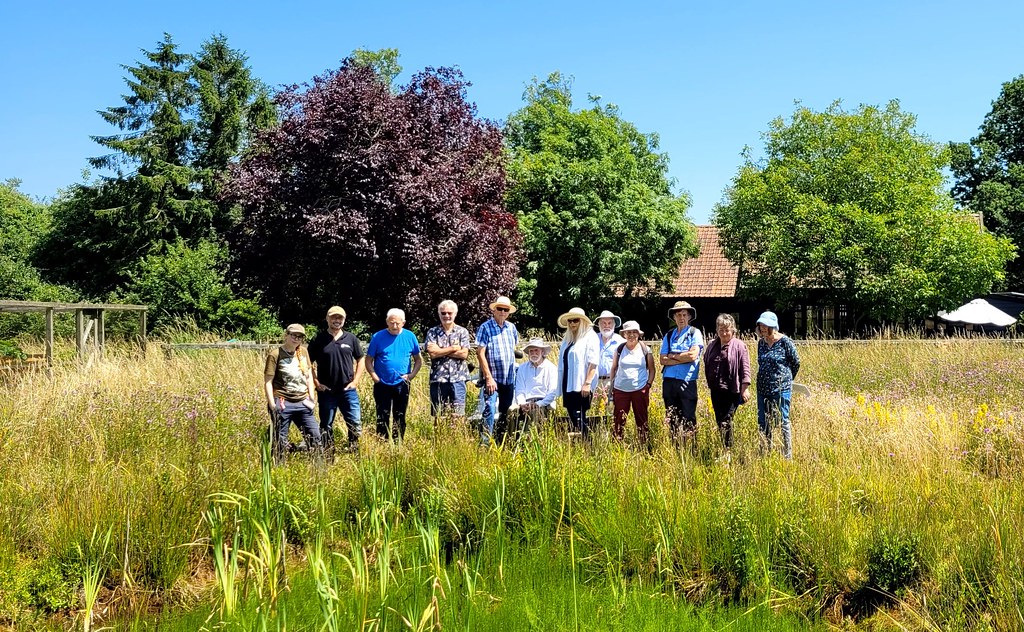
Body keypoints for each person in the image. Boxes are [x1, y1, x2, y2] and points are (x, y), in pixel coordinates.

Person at [308, 306, 364, 451]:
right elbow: (307, 363)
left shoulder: (351, 338)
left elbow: (360, 359)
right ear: (327, 319)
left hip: (347, 389)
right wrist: (316, 382)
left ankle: (353, 446)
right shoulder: (318, 339)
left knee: (355, 421)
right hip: (327, 390)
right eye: (333, 317)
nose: (336, 320)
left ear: (344, 320)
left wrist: (355, 381)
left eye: (340, 318)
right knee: (326, 423)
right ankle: (328, 449)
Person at [264, 324, 321, 462]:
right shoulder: (275, 354)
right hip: (283, 402)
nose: (296, 339)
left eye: (300, 336)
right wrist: (272, 405)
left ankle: (318, 469)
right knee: (280, 439)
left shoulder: (303, 352)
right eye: (293, 335)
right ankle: (278, 468)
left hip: (303, 401)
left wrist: (311, 398)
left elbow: (308, 376)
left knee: (315, 435)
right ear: (286, 335)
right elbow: (268, 382)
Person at [365, 309, 422, 443]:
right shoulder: (378, 337)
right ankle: (382, 444)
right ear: (387, 322)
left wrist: (411, 375)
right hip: (382, 383)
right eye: (392, 323)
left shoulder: (410, 336)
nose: (394, 326)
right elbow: (368, 360)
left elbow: (418, 360)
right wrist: (375, 378)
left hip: (402, 383)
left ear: (403, 323)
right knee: (382, 415)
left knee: (400, 415)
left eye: (397, 323)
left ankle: (398, 443)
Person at [703, 314, 751, 457]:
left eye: (727, 329)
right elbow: (706, 361)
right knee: (719, 420)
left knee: (727, 420)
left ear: (733, 330)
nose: (724, 333)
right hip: (716, 389)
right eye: (721, 329)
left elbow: (745, 368)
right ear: (717, 329)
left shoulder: (739, 346)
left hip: (732, 390)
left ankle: (728, 453)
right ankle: (725, 449)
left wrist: (745, 388)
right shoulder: (712, 345)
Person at [659, 300, 705, 452]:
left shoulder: (695, 333)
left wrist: (673, 356)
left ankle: (691, 450)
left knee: (688, 416)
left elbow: (692, 356)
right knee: (672, 416)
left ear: (689, 316)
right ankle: (676, 448)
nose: (681, 318)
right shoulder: (669, 335)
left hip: (687, 381)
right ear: (674, 317)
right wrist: (680, 357)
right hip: (669, 381)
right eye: (678, 315)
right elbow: (662, 359)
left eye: (684, 315)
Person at [755, 311, 801, 459]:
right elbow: (760, 362)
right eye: (760, 325)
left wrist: (786, 379)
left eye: (765, 325)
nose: (762, 328)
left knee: (783, 420)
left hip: (781, 389)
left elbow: (796, 362)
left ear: (773, 326)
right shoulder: (761, 343)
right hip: (762, 388)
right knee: (763, 420)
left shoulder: (785, 341)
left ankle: (787, 456)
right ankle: (765, 453)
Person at [476, 296, 520, 446]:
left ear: (509, 312)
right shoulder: (485, 327)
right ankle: (485, 443)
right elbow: (480, 353)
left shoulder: (511, 328)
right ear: (494, 310)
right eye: (499, 309)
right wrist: (488, 377)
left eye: (505, 309)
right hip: (493, 378)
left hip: (508, 378)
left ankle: (501, 441)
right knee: (489, 407)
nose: (502, 312)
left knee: (505, 411)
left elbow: (513, 350)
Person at [607, 320, 655, 445]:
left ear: (639, 334)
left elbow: (652, 370)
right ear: (624, 335)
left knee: (642, 419)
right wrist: (612, 385)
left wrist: (647, 386)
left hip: (639, 390)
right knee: (618, 420)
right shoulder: (619, 349)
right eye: (628, 332)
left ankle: (643, 447)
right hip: (621, 390)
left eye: (634, 332)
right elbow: (613, 368)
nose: (632, 335)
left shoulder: (646, 350)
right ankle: (617, 446)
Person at [425, 300, 471, 420]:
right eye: (443, 313)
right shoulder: (432, 332)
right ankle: (439, 438)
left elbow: (464, 354)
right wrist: (453, 348)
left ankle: (455, 438)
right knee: (438, 416)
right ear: (439, 314)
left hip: (458, 379)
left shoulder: (462, 332)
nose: (446, 316)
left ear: (455, 314)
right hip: (438, 379)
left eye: (449, 313)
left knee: (458, 415)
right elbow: (433, 353)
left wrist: (441, 350)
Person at [557, 307, 599, 438]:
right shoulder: (567, 340)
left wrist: (587, 383)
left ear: (582, 321)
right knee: (571, 414)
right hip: (567, 382)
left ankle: (587, 443)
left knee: (582, 416)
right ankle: (577, 444)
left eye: (575, 320)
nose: (572, 324)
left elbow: (594, 362)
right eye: (570, 321)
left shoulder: (590, 336)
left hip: (581, 383)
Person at [509, 337, 558, 439]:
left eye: (536, 350)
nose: (534, 353)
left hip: (543, 403)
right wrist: (522, 404)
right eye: (531, 351)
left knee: (534, 412)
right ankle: (512, 440)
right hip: (525, 402)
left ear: (542, 351)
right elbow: (520, 389)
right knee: (511, 411)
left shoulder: (551, 368)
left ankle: (529, 443)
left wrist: (537, 404)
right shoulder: (522, 368)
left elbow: (552, 393)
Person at [594, 310, 625, 405]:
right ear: (599, 325)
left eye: (609, 323)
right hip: (594, 381)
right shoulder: (592, 339)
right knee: (595, 413)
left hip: (613, 381)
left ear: (614, 325)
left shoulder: (621, 342)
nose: (606, 326)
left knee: (612, 410)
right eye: (603, 323)